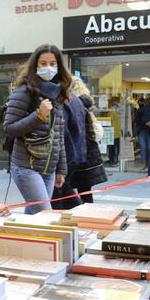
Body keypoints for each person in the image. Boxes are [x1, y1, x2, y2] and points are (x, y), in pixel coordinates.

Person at [2, 43, 69, 215]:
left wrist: (61, 170)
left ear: (58, 66)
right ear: (35, 65)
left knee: (34, 216)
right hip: (26, 167)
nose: (48, 68)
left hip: (49, 169)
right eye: (43, 63)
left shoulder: (58, 94)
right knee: (45, 215)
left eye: (52, 64)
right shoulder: (24, 91)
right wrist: (38, 115)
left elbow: (58, 136)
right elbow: (9, 128)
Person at [66, 79, 107, 204]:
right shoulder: (86, 105)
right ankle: (87, 214)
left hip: (76, 151)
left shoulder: (74, 105)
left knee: (65, 187)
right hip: (88, 152)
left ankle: (78, 213)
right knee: (85, 190)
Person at [51, 77, 89, 210]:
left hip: (66, 153)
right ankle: (79, 216)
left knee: (57, 195)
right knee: (64, 190)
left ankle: (74, 219)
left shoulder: (62, 100)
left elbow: (61, 132)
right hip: (75, 153)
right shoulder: (75, 99)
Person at [135, 96, 150, 170]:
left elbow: (137, 121)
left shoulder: (140, 110)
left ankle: (144, 163)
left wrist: (144, 123)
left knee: (143, 147)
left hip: (142, 129)